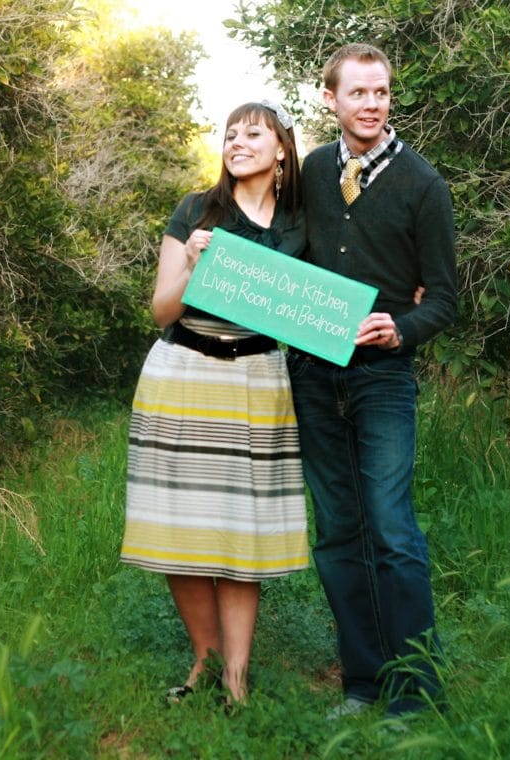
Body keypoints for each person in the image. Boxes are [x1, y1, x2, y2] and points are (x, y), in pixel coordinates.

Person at [286, 43, 458, 718]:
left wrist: (402, 328)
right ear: (330, 98)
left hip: (382, 379)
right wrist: (212, 247)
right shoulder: (313, 170)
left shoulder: (422, 185)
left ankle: (417, 693)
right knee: (336, 532)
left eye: (381, 93)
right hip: (314, 376)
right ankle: (361, 682)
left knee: (391, 530)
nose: (371, 104)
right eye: (357, 93)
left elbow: (442, 297)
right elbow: (285, 254)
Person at [120, 101, 308, 709]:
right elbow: (161, 309)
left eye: (253, 133)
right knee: (184, 528)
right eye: (230, 134)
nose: (237, 141)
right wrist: (194, 265)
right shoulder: (196, 209)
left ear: (281, 148)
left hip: (257, 381)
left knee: (240, 531)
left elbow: (331, 293)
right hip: (182, 371)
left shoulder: (304, 220)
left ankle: (238, 679)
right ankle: (205, 659)